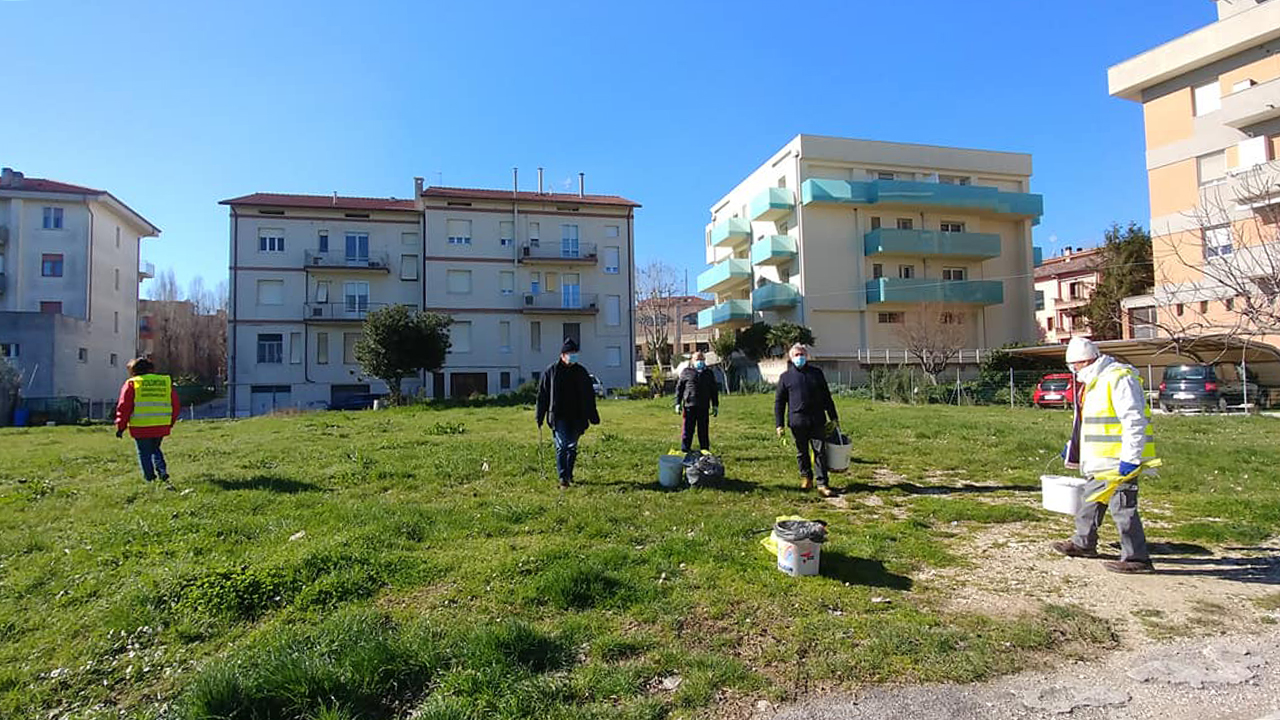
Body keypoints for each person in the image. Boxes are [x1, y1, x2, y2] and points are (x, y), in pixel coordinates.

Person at [1052, 336, 1158, 573]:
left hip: (1120, 460)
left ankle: (1137, 558)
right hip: (1100, 461)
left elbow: (1133, 420)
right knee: (1090, 502)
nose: (1074, 370)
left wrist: (1130, 458)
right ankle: (1083, 543)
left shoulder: (1119, 378)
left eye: (1075, 365)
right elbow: (1090, 424)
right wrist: (1073, 448)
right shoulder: (1095, 382)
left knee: (1123, 508)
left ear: (1086, 361)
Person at [774, 343, 839, 497]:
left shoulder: (816, 373)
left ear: (807, 355)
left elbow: (827, 397)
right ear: (791, 358)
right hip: (797, 421)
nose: (800, 357)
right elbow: (779, 402)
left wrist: (834, 417)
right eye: (796, 355)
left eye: (802, 354)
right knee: (802, 452)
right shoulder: (785, 377)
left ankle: (822, 483)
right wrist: (779, 424)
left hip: (817, 420)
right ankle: (806, 478)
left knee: (820, 452)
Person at [535, 338, 600, 488]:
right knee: (562, 446)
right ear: (562, 355)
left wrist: (593, 415)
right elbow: (542, 395)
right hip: (559, 416)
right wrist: (539, 416)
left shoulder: (582, 372)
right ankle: (563, 477)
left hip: (578, 416)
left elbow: (589, 396)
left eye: (575, 353)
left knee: (572, 447)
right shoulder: (551, 372)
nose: (573, 356)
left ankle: (569, 474)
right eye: (570, 353)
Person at [114, 357, 181, 486]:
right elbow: (175, 404)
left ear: (134, 370)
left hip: (141, 426)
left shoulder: (132, 383)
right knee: (155, 448)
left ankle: (150, 479)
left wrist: (120, 426)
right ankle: (162, 471)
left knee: (144, 452)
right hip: (161, 424)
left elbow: (124, 407)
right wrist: (170, 422)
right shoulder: (164, 382)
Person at [674, 351, 720, 453]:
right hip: (690, 405)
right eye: (697, 359)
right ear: (692, 360)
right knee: (688, 430)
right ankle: (685, 450)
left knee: (703, 431)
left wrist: (715, 405)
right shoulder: (686, 372)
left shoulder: (708, 373)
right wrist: (677, 403)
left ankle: (704, 451)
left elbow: (713, 390)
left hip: (703, 406)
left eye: (701, 359)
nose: (699, 361)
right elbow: (679, 388)